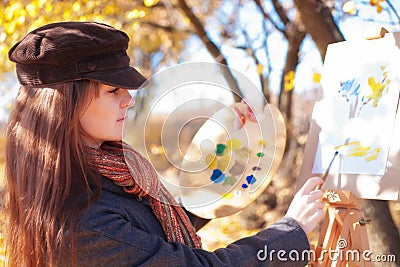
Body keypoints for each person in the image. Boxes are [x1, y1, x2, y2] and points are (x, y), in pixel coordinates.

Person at [4, 21, 325, 266]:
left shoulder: (116, 175)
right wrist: (290, 231)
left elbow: (159, 220)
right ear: (65, 105)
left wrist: (224, 146)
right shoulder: (80, 220)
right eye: (112, 91)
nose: (129, 100)